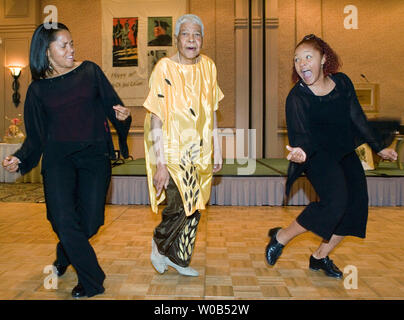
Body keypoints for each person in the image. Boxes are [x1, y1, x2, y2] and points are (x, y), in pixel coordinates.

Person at [2, 23, 131, 297]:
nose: (71, 50)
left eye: (72, 43)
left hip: (94, 157)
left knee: (90, 222)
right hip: (58, 161)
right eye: (64, 45)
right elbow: (35, 138)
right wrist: (20, 159)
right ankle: (92, 280)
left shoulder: (90, 72)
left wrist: (123, 118)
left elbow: (115, 107)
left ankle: (65, 254)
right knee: (62, 219)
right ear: (47, 52)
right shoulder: (38, 91)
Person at [265, 34, 397, 278]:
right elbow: (300, 135)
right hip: (316, 157)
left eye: (308, 57)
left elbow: (357, 118)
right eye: (297, 60)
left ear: (324, 59)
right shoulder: (297, 98)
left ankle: (319, 257)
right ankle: (281, 237)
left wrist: (378, 147)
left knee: (356, 208)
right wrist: (299, 152)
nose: (302, 63)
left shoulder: (343, 83)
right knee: (335, 202)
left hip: (345, 152)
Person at [143, 14, 223, 276]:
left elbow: (211, 112)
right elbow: (156, 118)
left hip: (200, 151)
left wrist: (218, 148)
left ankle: (178, 257)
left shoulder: (209, 67)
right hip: (173, 150)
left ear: (202, 39)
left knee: (196, 206)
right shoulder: (164, 68)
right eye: (186, 34)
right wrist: (161, 163)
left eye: (197, 34)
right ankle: (159, 243)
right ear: (176, 39)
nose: (192, 39)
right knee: (179, 205)